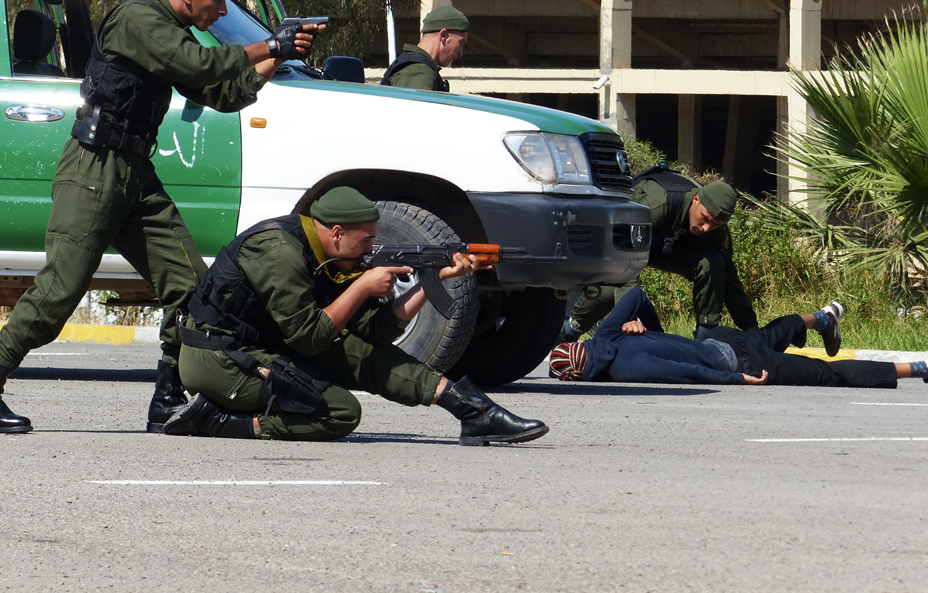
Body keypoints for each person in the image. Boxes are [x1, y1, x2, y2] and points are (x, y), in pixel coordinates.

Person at [0, 0, 325, 435]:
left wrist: (279, 54)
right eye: (217, 1)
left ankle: (168, 397)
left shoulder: (172, 32)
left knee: (191, 286)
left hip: (134, 173)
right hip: (94, 169)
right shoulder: (139, 20)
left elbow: (222, 93)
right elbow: (200, 64)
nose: (220, 10)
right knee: (60, 289)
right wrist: (265, 44)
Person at [163, 186, 550, 446]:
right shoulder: (279, 252)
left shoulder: (330, 256)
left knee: (364, 352)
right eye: (366, 239)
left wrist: (436, 280)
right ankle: (216, 421)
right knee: (339, 412)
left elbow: (377, 331)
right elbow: (309, 337)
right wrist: (362, 286)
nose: (372, 247)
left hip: (263, 347)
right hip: (218, 358)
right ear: (335, 233)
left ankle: (470, 409)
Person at [550, 287, 928, 389]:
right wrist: (645, 325)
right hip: (724, 339)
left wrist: (736, 379)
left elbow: (688, 375)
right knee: (769, 334)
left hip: (742, 363)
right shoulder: (608, 333)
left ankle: (916, 367)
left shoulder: (624, 370)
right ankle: (824, 318)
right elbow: (636, 295)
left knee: (826, 374)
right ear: (579, 345)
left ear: (580, 375)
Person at [565, 165, 758, 342]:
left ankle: (706, 336)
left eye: (715, 224)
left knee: (712, 263)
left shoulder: (716, 229)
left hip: (663, 246)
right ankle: (567, 332)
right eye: (705, 219)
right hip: (622, 244)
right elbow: (625, 258)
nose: (707, 228)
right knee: (609, 292)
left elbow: (730, 279)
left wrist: (751, 328)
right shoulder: (657, 203)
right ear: (697, 199)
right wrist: (629, 317)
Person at [380, 5, 469, 92]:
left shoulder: (419, 69)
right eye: (460, 42)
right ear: (443, 35)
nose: (460, 53)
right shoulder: (418, 73)